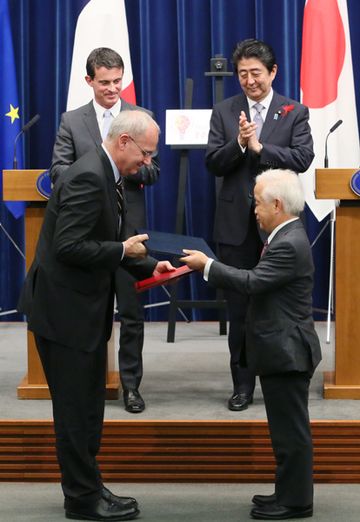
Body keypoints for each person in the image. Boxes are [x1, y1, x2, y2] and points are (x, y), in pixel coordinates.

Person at [18, 110, 174, 521]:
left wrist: (147, 265)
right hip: (65, 313)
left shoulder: (108, 173)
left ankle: (88, 488)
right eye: (146, 153)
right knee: (75, 413)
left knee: (87, 410)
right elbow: (70, 246)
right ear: (124, 141)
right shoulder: (88, 176)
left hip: (81, 310)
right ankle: (82, 500)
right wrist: (125, 252)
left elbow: (104, 237)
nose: (148, 163)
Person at [180, 169, 322, 520]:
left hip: (287, 351)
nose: (253, 209)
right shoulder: (285, 235)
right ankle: (286, 493)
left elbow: (253, 281)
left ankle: (297, 502)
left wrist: (208, 266)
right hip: (280, 349)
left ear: (277, 204)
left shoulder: (289, 242)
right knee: (284, 431)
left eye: (256, 202)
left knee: (291, 434)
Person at [205, 38, 314, 412]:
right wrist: (238, 143)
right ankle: (242, 385)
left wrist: (260, 149)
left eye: (255, 73)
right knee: (240, 312)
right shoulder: (224, 111)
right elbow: (213, 163)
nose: (249, 80)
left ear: (273, 72)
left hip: (280, 224)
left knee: (278, 307)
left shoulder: (293, 111)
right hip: (236, 226)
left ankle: (280, 377)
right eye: (242, 74)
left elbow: (302, 157)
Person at [50, 47, 159, 413]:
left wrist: (127, 168)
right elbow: (57, 171)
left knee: (132, 315)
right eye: (105, 82)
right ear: (89, 81)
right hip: (88, 231)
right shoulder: (72, 121)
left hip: (128, 231)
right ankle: (90, 381)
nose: (113, 89)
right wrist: (98, 176)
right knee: (90, 313)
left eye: (118, 81)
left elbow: (153, 170)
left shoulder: (138, 118)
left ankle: (131, 387)